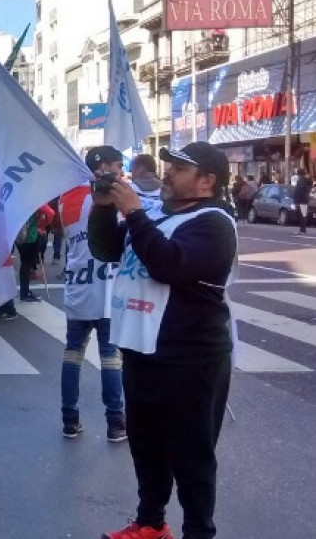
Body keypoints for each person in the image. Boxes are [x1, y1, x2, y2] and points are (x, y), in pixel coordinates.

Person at [90, 142, 236, 539]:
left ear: (207, 181)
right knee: (147, 448)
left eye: (179, 168)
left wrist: (134, 212)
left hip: (190, 360)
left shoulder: (214, 223)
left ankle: (198, 533)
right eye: (169, 164)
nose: (168, 171)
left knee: (192, 459)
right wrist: (103, 206)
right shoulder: (156, 213)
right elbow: (105, 249)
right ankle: (151, 523)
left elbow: (169, 264)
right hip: (142, 350)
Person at [57, 147, 126, 443]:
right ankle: (116, 423)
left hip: (79, 284)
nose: (122, 172)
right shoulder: (118, 194)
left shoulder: (66, 198)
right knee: (111, 358)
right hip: (108, 285)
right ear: (104, 168)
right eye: (119, 166)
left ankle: (69, 420)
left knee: (72, 355)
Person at [16, 204, 55, 302]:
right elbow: (50, 213)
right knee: (27, 266)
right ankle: (25, 293)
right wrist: (42, 226)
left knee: (24, 264)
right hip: (31, 237)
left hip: (19, 236)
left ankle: (25, 291)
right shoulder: (36, 201)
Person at [292, 168, 311, 233]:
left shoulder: (301, 182)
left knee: (301, 215)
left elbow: (298, 192)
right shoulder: (306, 181)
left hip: (301, 201)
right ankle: (303, 229)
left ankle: (302, 229)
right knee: (303, 215)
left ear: (299, 175)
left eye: (298, 174)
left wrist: (296, 201)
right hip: (305, 200)